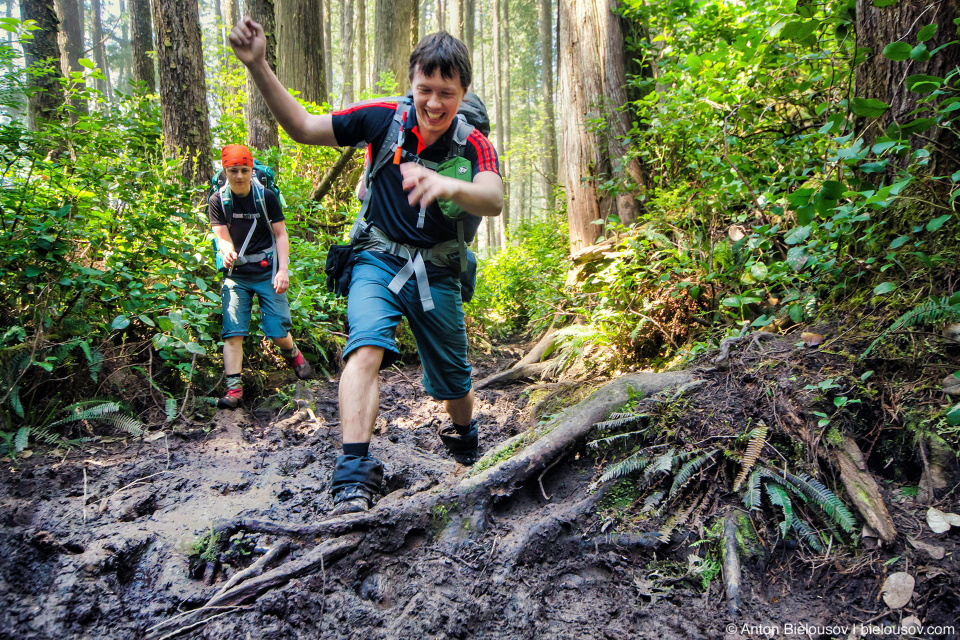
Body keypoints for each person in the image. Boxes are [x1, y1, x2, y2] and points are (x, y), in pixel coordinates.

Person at [229, 19, 503, 515]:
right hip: (375, 258)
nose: (434, 104)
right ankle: (353, 475)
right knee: (365, 348)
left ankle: (464, 432)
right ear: (412, 84)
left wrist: (448, 186)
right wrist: (258, 65)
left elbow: (494, 197)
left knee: (454, 382)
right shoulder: (382, 119)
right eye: (425, 90)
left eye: (447, 92)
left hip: (437, 271)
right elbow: (303, 127)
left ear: (463, 91)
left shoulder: (473, 141)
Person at [209, 144, 313, 409]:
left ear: (251, 169)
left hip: (268, 272)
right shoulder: (217, 201)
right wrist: (227, 251)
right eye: (233, 171)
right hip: (236, 276)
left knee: (278, 331)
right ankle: (234, 391)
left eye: (244, 170)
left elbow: (281, 234)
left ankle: (293, 354)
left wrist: (282, 271)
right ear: (225, 170)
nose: (240, 176)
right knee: (233, 333)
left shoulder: (265, 197)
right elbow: (221, 236)